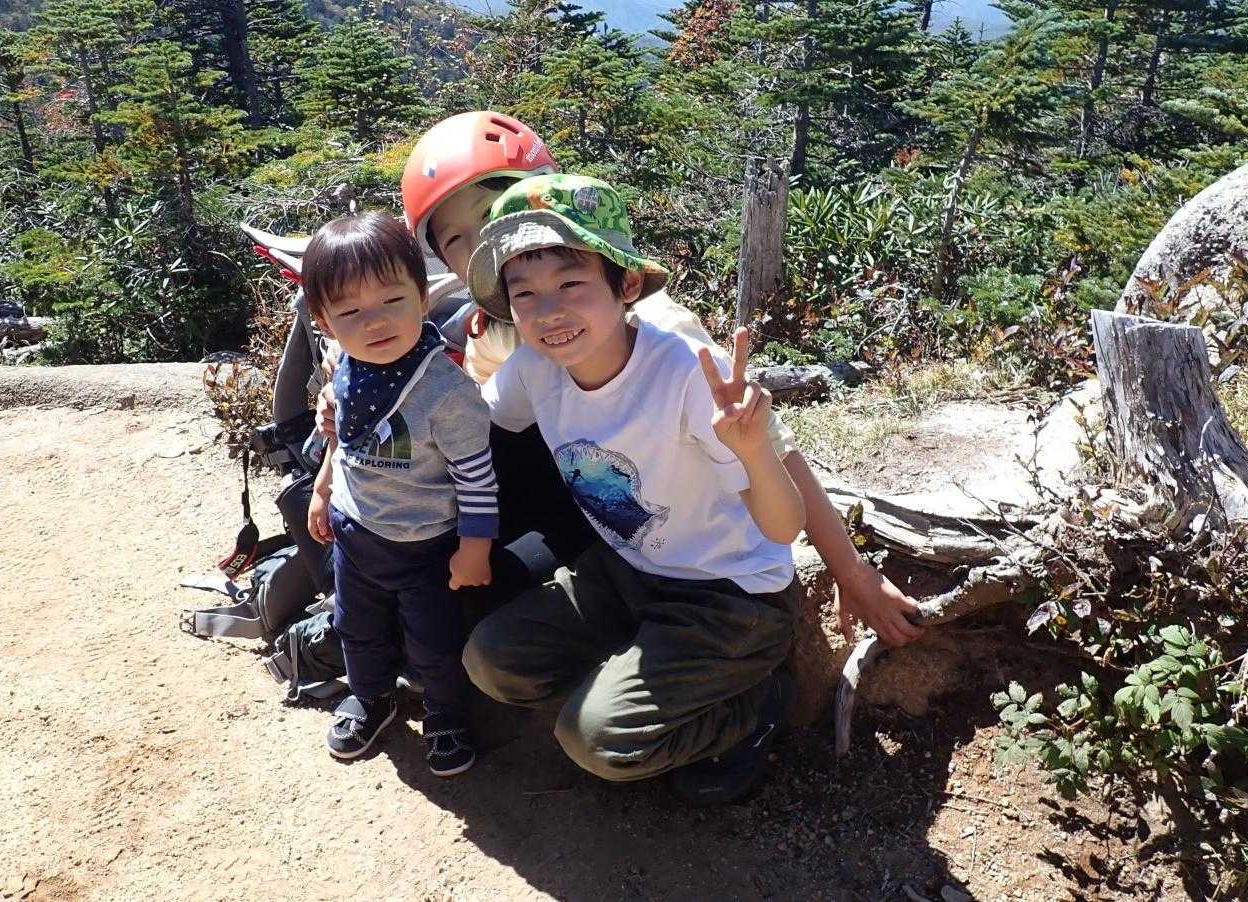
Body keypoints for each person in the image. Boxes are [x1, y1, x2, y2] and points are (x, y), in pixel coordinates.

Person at [284, 110, 925, 645]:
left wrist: (854, 574)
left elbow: (776, 451)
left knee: (480, 599)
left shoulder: (655, 331)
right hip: (564, 500)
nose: (489, 240)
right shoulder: (482, 322)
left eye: (499, 211)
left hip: (614, 521)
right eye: (457, 237)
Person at [461, 173, 804, 804]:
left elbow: (783, 529)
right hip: (627, 572)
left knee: (596, 741)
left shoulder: (683, 374)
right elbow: (471, 420)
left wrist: (755, 447)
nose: (548, 311)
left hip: (729, 596)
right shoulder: (535, 367)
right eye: (524, 293)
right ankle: (635, 688)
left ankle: (754, 706)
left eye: (571, 283)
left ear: (626, 286)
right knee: (493, 660)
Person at [302, 212, 495, 777]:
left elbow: (477, 478)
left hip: (426, 545)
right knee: (356, 626)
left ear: (422, 297)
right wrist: (323, 489)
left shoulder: (447, 391)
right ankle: (371, 696)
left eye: (392, 300)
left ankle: (445, 716)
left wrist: (475, 548)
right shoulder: (344, 364)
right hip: (355, 532)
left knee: (435, 642)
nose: (376, 321)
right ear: (325, 321)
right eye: (350, 312)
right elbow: (344, 441)